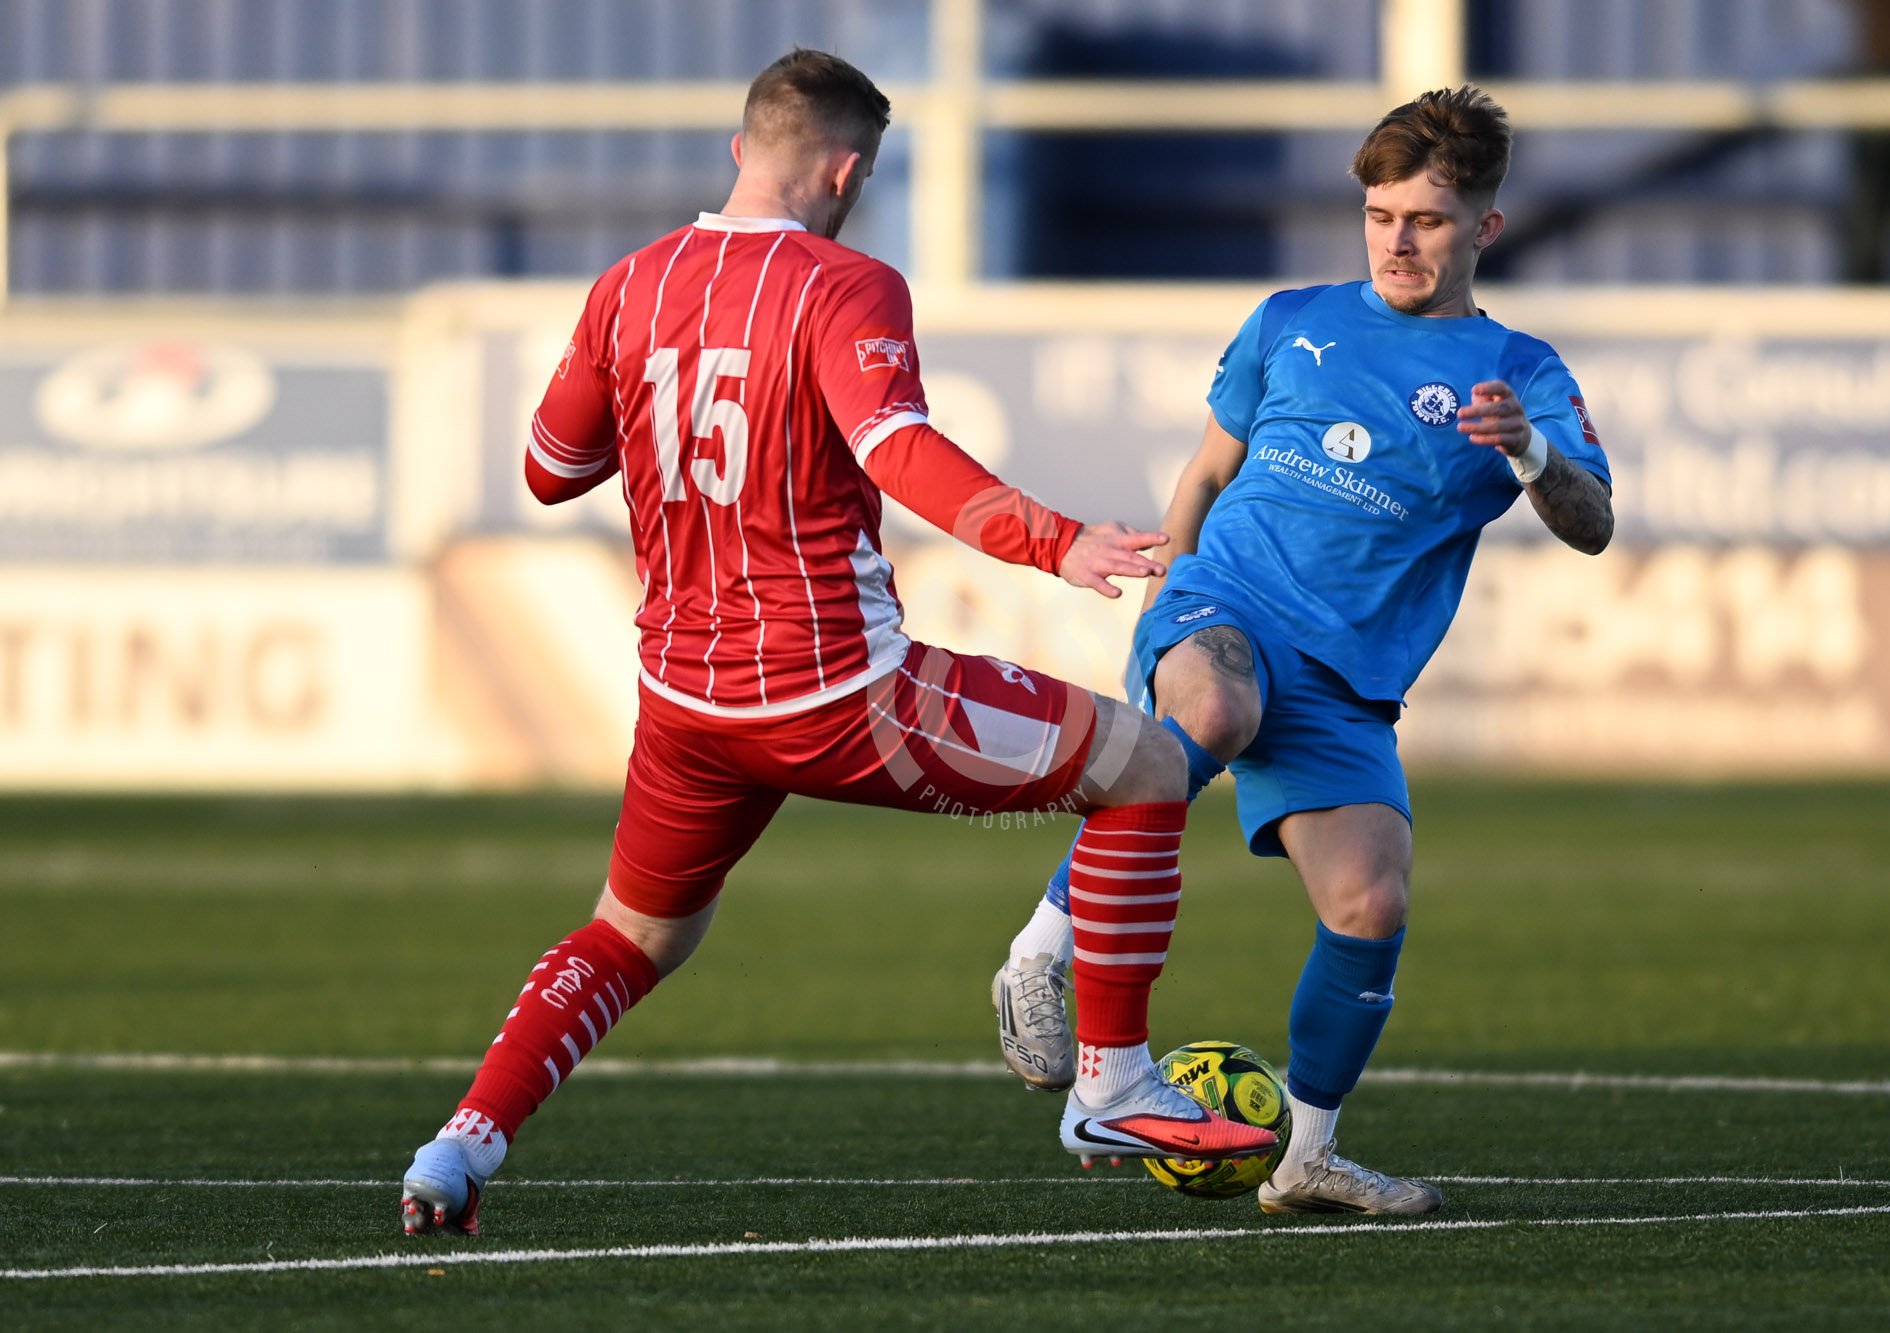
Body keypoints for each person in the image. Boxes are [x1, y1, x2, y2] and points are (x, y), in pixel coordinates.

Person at [397, 48, 1277, 1236]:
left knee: (635, 933)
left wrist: (662, 407)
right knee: (1146, 767)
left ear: (739, 148)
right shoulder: (844, 284)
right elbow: (897, 452)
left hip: (685, 705)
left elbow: (550, 469)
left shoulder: (628, 284)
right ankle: (1112, 1084)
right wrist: (1053, 541)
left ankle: (460, 1145)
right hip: (835, 689)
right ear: (848, 168)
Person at [992, 85, 1615, 1216]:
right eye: (1379, 215)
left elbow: (1592, 523)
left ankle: (1305, 1157)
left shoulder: (1518, 372)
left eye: (1425, 220)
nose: (1396, 241)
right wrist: (1167, 595)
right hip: (1223, 606)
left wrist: (1528, 453)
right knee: (1212, 719)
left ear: (1483, 228)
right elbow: (1203, 475)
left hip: (1346, 683)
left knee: (1370, 904)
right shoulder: (1288, 319)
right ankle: (1038, 953)